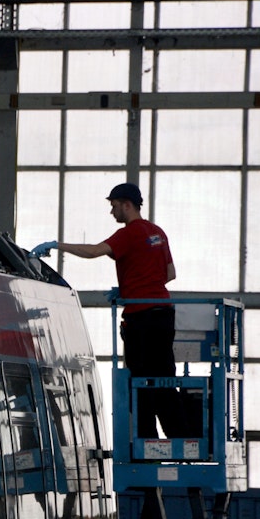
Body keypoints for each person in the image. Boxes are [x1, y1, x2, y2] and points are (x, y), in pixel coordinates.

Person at [30, 182, 181, 438]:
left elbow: (93, 251)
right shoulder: (158, 232)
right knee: (164, 378)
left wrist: (56, 245)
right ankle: (181, 437)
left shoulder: (128, 233)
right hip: (164, 315)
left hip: (140, 318)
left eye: (114, 206)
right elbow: (169, 274)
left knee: (139, 381)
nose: (112, 212)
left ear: (127, 205)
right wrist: (134, 287)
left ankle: (147, 442)